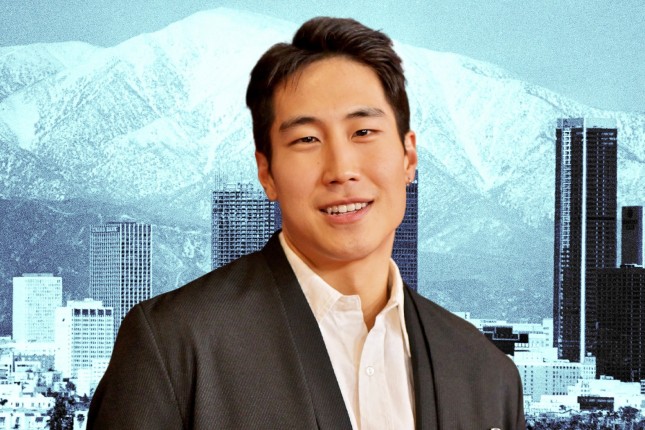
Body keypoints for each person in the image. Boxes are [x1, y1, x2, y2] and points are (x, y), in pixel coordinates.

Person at [87, 17, 525, 429]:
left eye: (364, 132)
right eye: (307, 139)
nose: (341, 169)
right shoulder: (175, 348)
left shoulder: (487, 374)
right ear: (267, 172)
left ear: (409, 157)